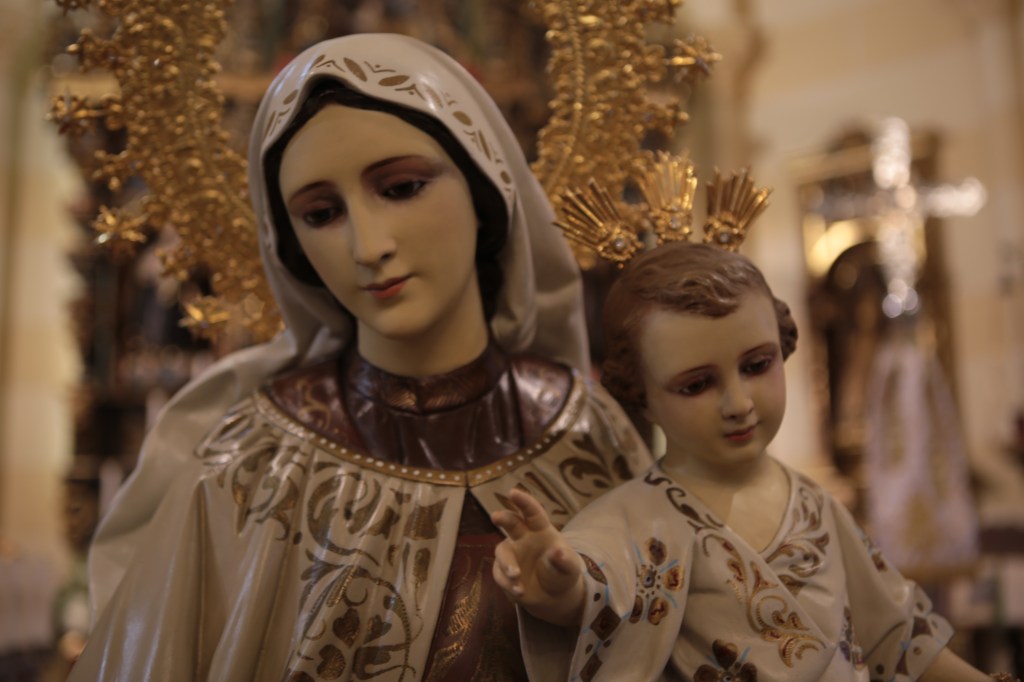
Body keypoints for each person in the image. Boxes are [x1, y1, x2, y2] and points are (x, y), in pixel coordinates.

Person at [70, 34, 650, 681]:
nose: (368, 247)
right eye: (321, 214)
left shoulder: (586, 431)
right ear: (292, 247)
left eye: (401, 188)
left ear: (484, 189)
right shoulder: (248, 467)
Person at [492, 242, 995, 681]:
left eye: (757, 365)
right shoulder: (634, 519)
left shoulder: (815, 503)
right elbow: (597, 587)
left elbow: (898, 638)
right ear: (640, 395)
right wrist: (561, 587)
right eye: (697, 385)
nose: (738, 403)